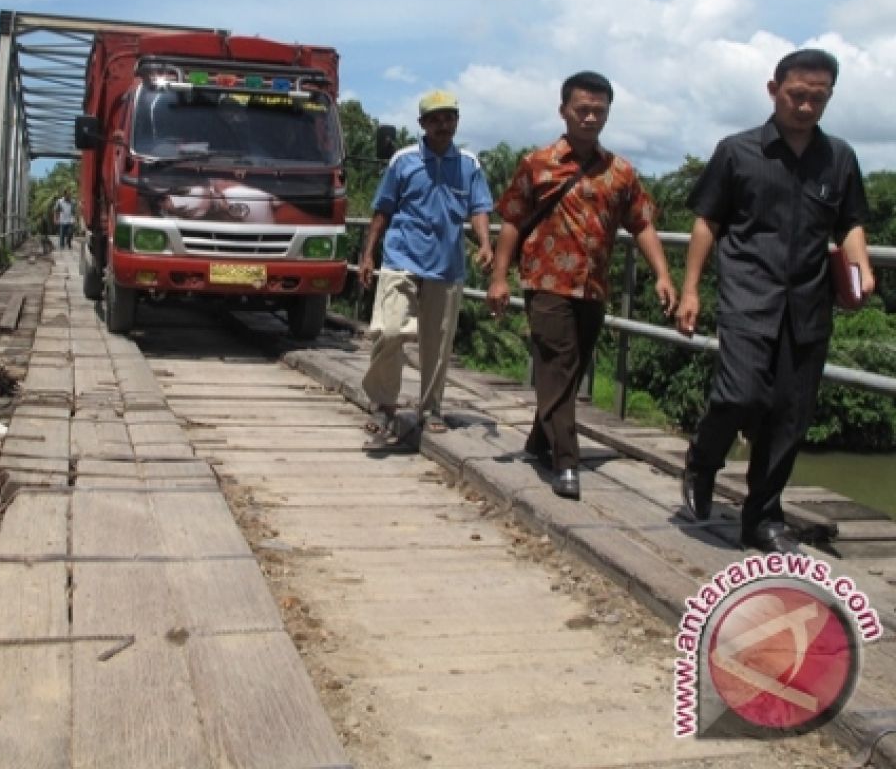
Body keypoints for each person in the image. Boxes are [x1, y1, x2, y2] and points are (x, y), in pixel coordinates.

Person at [677, 48, 874, 554]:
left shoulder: (840, 158)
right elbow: (707, 222)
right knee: (740, 394)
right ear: (773, 90)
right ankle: (702, 460)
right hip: (748, 295)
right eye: (797, 96)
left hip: (809, 303)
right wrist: (691, 289)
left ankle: (763, 516)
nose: (806, 107)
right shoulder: (737, 152)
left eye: (819, 98)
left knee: (791, 415)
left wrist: (861, 268)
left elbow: (850, 222)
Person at [486, 71, 677, 500]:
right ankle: (566, 462)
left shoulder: (620, 172)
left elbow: (642, 223)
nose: (590, 118)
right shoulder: (538, 164)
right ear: (564, 111)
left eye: (599, 111)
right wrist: (499, 278)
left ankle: (539, 441)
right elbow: (513, 221)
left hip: (593, 287)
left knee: (569, 373)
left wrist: (663, 274)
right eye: (582, 110)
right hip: (547, 282)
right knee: (557, 363)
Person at [360, 89, 494, 440]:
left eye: (449, 117)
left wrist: (484, 243)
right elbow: (382, 209)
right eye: (435, 119)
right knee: (390, 331)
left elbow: (479, 209)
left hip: (446, 264)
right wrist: (368, 253)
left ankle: (431, 407)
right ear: (422, 124)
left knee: (438, 343)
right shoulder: (403, 161)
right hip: (400, 258)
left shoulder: (469, 165)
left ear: (456, 121)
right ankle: (384, 404)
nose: (442, 124)